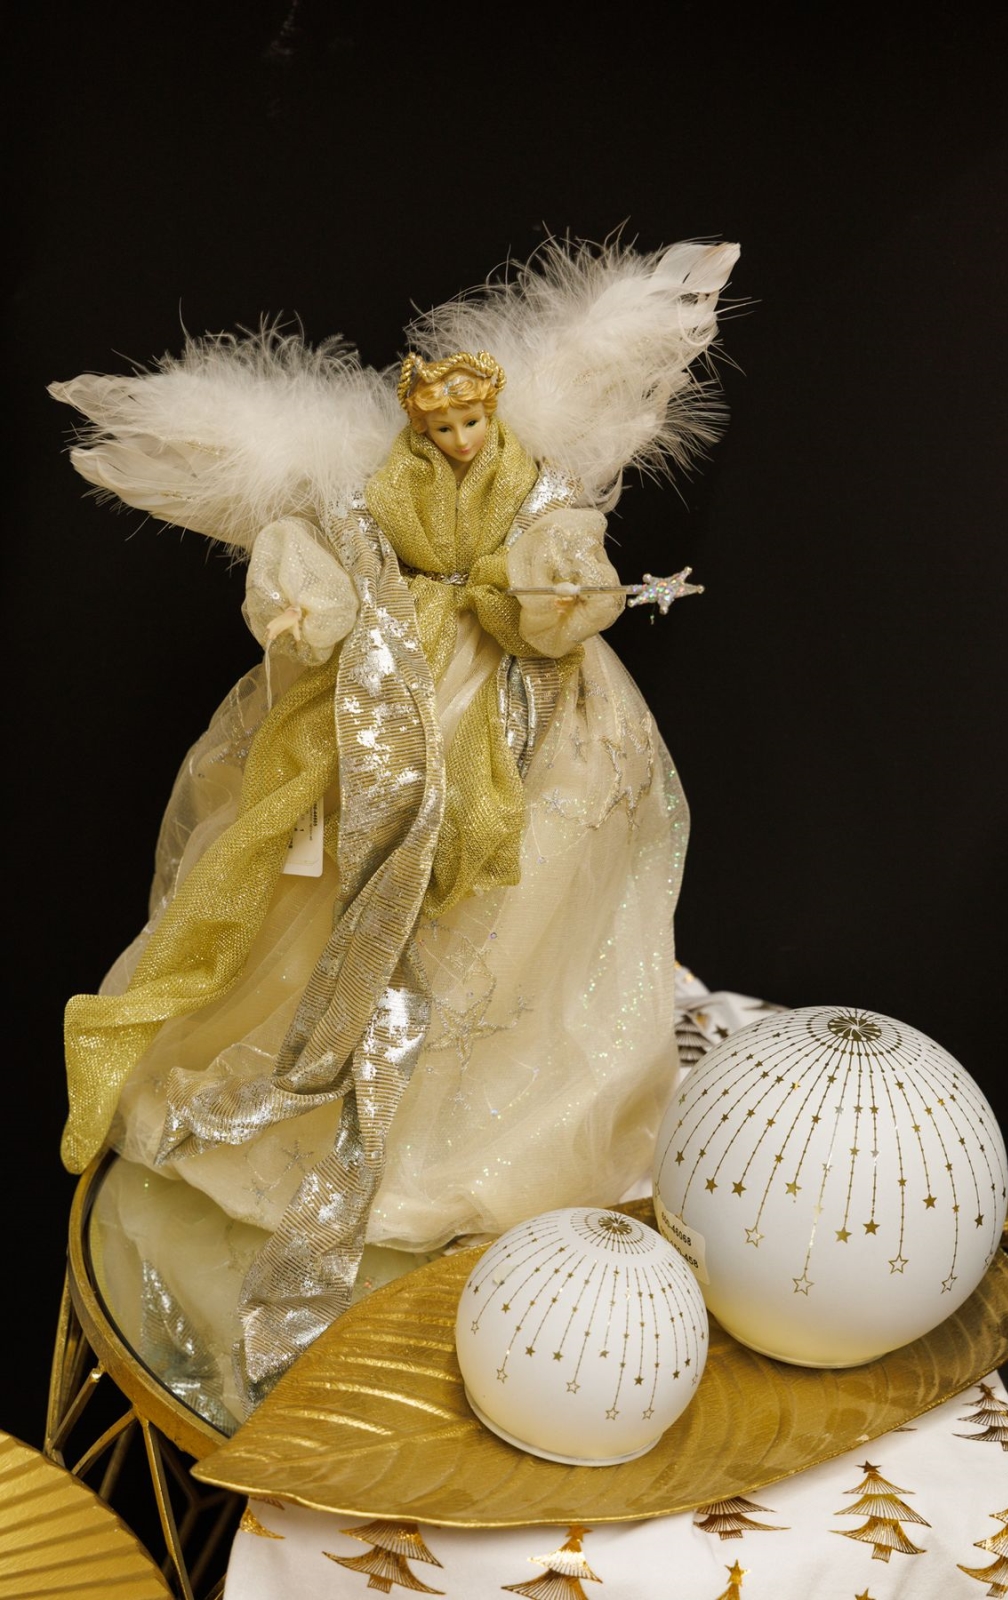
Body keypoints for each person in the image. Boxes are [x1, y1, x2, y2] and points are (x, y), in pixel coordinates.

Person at [50, 236, 740, 1410]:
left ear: (494, 412)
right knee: (327, 894)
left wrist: (561, 594)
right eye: (444, 424)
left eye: (474, 421)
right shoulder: (366, 491)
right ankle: (310, 1112)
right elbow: (305, 566)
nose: (461, 439)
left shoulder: (538, 479)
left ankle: (499, 1142)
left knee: (538, 905)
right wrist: (306, 608)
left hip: (531, 710)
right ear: (420, 421)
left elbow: (567, 556)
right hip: (385, 702)